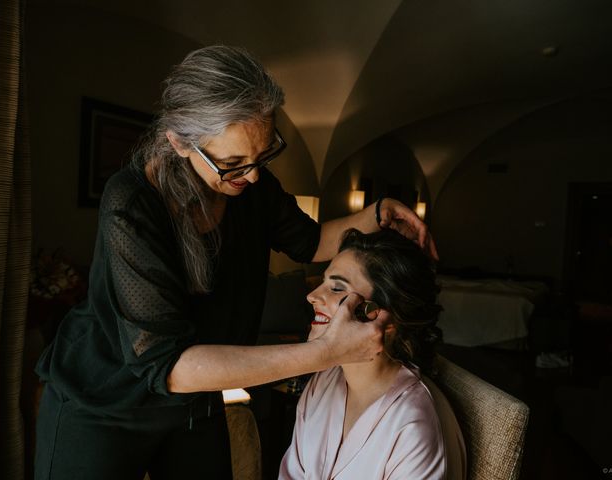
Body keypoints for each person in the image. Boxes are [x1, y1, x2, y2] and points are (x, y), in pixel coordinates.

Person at [34, 45, 437, 480]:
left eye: (262, 155)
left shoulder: (252, 185)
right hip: (107, 405)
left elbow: (311, 240)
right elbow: (168, 367)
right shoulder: (131, 205)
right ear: (179, 142)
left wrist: (377, 214)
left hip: (195, 403)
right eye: (232, 164)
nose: (252, 175)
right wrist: (324, 353)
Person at [280, 228, 465, 480]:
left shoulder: (413, 426)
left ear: (384, 317)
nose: (312, 296)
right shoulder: (322, 384)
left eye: (336, 288)